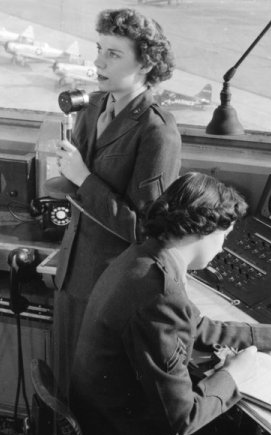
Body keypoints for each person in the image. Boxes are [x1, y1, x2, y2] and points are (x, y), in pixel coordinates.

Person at [70, 172, 271, 435]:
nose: (223, 247)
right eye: (225, 235)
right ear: (202, 230)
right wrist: (235, 374)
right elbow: (182, 418)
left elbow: (198, 327)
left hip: (105, 425)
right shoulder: (160, 295)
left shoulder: (142, 258)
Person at [53, 8, 182, 397]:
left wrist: (83, 178)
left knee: (93, 404)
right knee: (64, 391)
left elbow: (147, 231)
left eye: (113, 54)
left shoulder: (157, 132)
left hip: (111, 290)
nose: (98, 62)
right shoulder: (92, 108)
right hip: (71, 274)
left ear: (145, 64)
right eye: (99, 49)